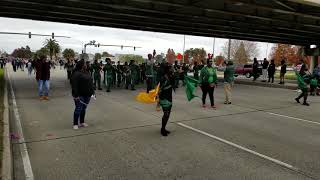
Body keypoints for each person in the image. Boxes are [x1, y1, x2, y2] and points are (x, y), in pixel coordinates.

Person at [71, 60, 95, 130]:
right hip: (79, 95)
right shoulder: (76, 73)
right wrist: (76, 95)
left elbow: (91, 83)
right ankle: (75, 123)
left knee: (83, 109)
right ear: (82, 65)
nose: (87, 65)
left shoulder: (87, 72)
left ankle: (82, 122)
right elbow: (74, 85)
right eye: (85, 64)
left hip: (87, 94)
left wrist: (93, 92)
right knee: (78, 109)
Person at [159, 64, 175, 136]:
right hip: (164, 98)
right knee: (166, 114)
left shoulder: (170, 76)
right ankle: (162, 129)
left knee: (168, 114)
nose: (172, 69)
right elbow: (160, 89)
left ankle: (164, 128)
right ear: (168, 70)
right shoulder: (163, 78)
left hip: (169, 97)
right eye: (171, 68)